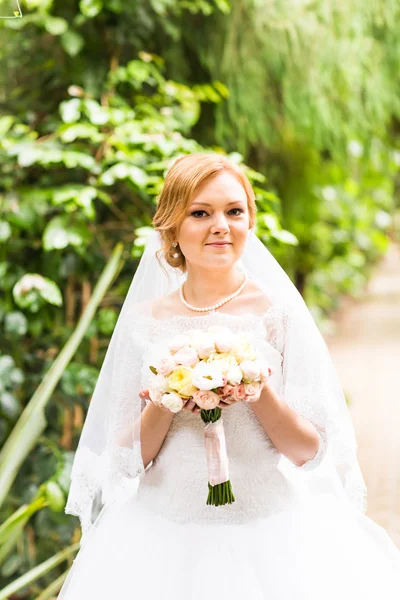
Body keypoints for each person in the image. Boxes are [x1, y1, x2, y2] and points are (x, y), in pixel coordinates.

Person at [58, 153, 400, 600]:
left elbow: (309, 453)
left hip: (269, 532)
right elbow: (125, 463)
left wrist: (256, 392)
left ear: (249, 222)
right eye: (200, 213)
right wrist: (167, 398)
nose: (221, 225)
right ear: (173, 227)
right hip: (161, 538)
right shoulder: (144, 323)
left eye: (234, 211)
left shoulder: (278, 315)